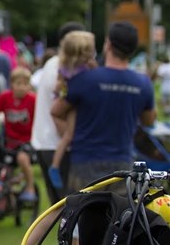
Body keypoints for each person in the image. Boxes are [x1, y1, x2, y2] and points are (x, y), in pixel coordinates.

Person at [51, 21, 156, 194]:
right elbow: (149, 121)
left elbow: (56, 111)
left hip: (84, 161)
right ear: (133, 50)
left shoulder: (84, 79)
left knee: (84, 217)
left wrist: (69, 135)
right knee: (118, 218)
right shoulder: (143, 84)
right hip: (123, 163)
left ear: (108, 44)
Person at [47, 31, 96, 190]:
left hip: (66, 100)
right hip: (71, 103)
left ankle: (55, 164)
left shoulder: (65, 66)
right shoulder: (82, 68)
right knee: (68, 136)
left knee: (68, 135)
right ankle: (54, 166)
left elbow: (59, 84)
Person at [0, 66, 37, 201]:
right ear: (11, 84)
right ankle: (7, 199)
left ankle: (30, 187)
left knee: (22, 158)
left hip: (27, 141)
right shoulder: (5, 97)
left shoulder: (33, 100)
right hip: (10, 141)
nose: (22, 87)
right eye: (18, 84)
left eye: (25, 84)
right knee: (5, 171)